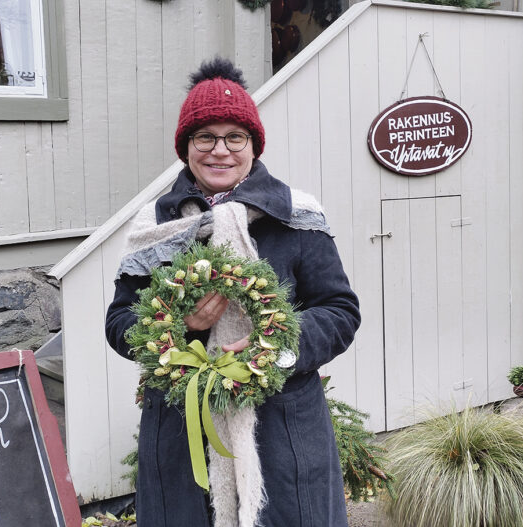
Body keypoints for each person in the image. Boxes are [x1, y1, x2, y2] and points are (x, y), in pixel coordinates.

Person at [106, 57, 360, 527]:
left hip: (283, 428)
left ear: (253, 145)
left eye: (234, 137)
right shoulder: (155, 227)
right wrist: (182, 327)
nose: (219, 150)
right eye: (205, 136)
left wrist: (276, 345)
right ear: (186, 147)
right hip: (184, 432)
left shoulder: (296, 216)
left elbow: (339, 311)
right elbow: (119, 323)